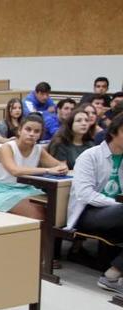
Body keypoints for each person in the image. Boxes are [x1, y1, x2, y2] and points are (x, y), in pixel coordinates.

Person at [65, 113, 123, 294]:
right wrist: (115, 204)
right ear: (113, 132)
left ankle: (113, 274)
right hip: (88, 212)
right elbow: (85, 194)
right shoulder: (90, 156)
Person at [0, 114, 68, 219]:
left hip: (26, 189)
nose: (32, 134)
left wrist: (62, 167)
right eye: (28, 129)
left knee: (56, 208)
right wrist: (48, 170)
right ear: (19, 131)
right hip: (1, 190)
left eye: (36, 131)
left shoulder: (38, 150)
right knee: (38, 214)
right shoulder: (7, 147)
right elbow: (15, 171)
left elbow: (59, 165)